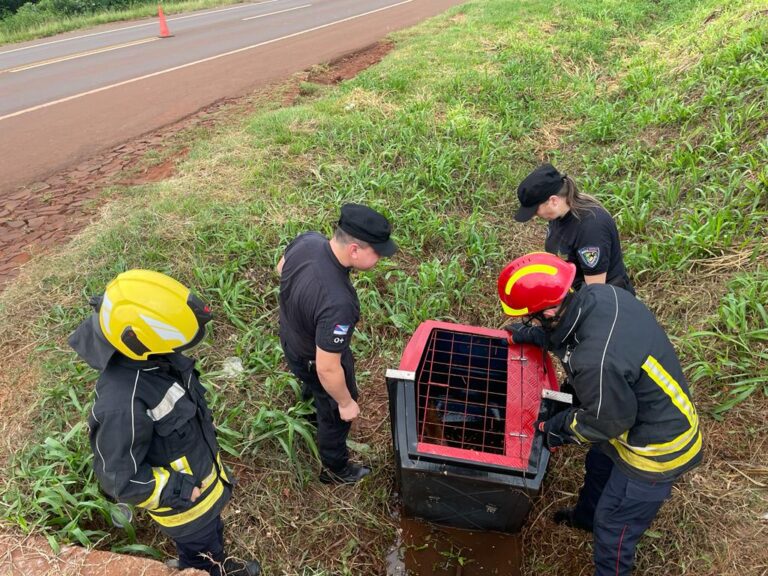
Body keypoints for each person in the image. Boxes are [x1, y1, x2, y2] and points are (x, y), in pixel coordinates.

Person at [498, 252, 702, 576]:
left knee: (614, 526)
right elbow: (570, 337)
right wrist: (536, 336)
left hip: (656, 447)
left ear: (550, 310)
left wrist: (557, 428)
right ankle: (585, 519)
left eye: (530, 319)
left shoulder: (596, 361)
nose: (529, 323)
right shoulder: (598, 296)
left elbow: (607, 421)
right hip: (631, 408)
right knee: (598, 465)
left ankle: (606, 548)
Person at [68, 270, 260, 576]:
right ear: (137, 339)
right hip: (186, 507)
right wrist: (179, 489)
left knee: (210, 541)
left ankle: (204, 561)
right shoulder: (122, 403)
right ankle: (207, 568)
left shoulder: (154, 358)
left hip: (203, 491)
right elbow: (118, 479)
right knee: (203, 556)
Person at [277, 203, 397, 484]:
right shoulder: (339, 303)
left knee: (315, 387)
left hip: (290, 340)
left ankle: (309, 409)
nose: (381, 258)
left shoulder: (308, 241)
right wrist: (345, 403)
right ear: (354, 249)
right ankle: (335, 469)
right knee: (333, 409)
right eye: (377, 252)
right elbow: (328, 369)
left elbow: (281, 267)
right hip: (314, 357)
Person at [514, 163, 635, 295]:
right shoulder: (557, 215)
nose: (535, 216)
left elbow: (596, 293)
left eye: (535, 210)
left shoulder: (591, 228)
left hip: (606, 302)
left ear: (553, 201)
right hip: (574, 290)